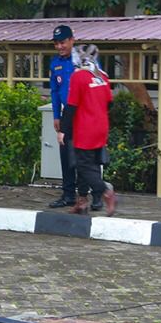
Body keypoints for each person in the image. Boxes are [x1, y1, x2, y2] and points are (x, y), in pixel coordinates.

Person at [62, 52, 117, 215]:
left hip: (84, 128)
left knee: (84, 165)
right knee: (91, 163)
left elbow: (71, 106)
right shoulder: (103, 77)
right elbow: (109, 103)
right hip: (101, 126)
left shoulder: (78, 77)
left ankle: (106, 191)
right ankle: (83, 201)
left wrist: (63, 130)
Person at [47, 24, 79, 208]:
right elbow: (54, 91)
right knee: (65, 154)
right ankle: (68, 195)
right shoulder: (55, 63)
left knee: (84, 156)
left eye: (63, 42)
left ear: (72, 40)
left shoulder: (82, 61)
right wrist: (56, 116)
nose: (60, 47)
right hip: (66, 114)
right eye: (57, 43)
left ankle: (92, 195)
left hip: (82, 112)